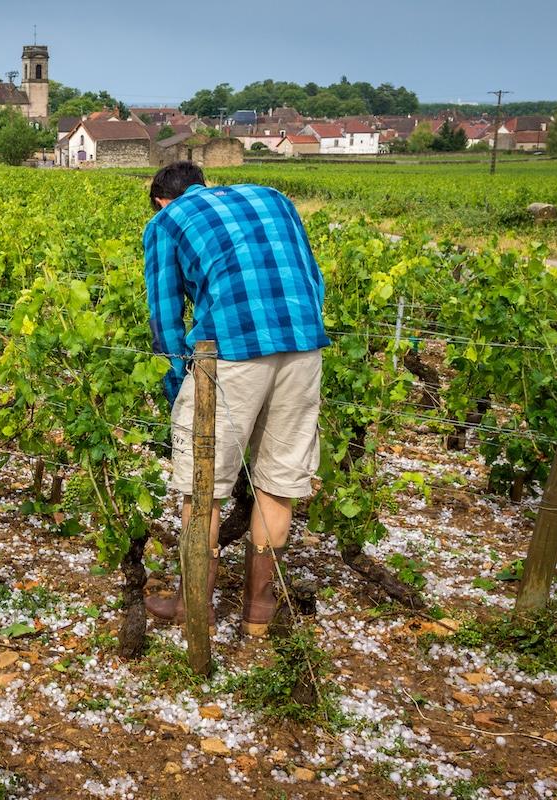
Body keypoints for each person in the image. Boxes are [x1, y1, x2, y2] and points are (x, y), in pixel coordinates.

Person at [142, 161, 330, 637]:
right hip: (304, 345)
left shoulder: (166, 221)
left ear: (163, 199)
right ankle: (259, 616)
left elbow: (165, 315)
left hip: (230, 353)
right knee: (278, 480)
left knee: (202, 486)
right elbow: (314, 280)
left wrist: (176, 371)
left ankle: (193, 610)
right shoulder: (274, 197)